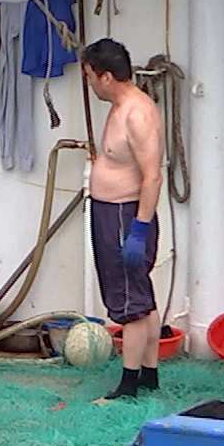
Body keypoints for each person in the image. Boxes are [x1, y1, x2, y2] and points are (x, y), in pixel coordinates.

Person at [82, 38, 164, 402]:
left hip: (124, 214)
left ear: (107, 77)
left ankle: (129, 386)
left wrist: (140, 229)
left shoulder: (137, 112)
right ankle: (149, 375)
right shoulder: (118, 106)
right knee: (141, 297)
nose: (89, 84)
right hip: (110, 211)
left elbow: (152, 175)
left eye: (89, 77)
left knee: (130, 303)